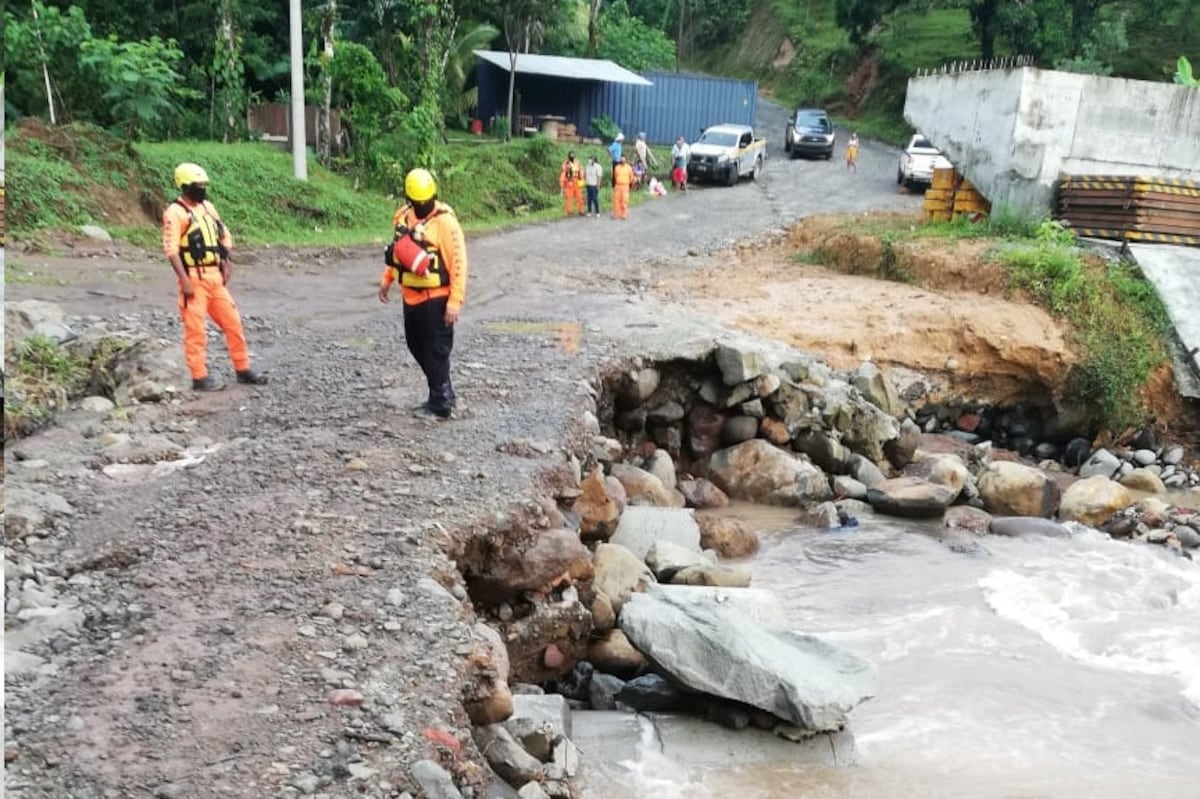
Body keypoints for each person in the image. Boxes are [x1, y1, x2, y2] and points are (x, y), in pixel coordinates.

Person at [162, 162, 268, 391]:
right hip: (194, 278)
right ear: (185, 186)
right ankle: (199, 376)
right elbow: (171, 250)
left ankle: (242, 368)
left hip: (215, 278)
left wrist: (226, 260)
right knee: (195, 329)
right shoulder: (175, 212)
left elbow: (223, 234)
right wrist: (185, 281)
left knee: (233, 323)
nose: (202, 189)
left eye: (203, 185)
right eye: (198, 185)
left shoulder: (208, 208)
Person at [378, 168, 469, 420]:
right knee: (416, 345)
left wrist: (455, 301)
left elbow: (459, 263)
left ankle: (440, 403)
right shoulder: (403, 218)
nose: (422, 206)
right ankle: (443, 390)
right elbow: (397, 252)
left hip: (436, 298)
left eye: (425, 202)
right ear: (409, 200)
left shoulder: (445, 222)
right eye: (417, 203)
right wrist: (386, 279)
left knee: (436, 349)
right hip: (411, 296)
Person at [559, 151, 585, 216]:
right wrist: (562, 184)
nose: (572, 156)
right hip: (569, 182)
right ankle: (568, 211)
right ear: (568, 156)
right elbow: (563, 174)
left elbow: (581, 171)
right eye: (571, 155)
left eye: (573, 155)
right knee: (568, 198)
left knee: (580, 197)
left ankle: (581, 211)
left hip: (577, 182)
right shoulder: (565, 163)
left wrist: (582, 181)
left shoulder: (578, 162)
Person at [612, 155, 634, 220]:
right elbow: (615, 176)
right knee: (616, 200)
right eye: (621, 159)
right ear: (620, 160)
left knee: (624, 200)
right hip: (618, 186)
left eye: (623, 159)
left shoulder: (629, 168)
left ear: (625, 160)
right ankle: (616, 214)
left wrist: (629, 186)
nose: (622, 161)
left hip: (625, 186)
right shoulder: (617, 167)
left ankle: (624, 214)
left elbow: (631, 178)